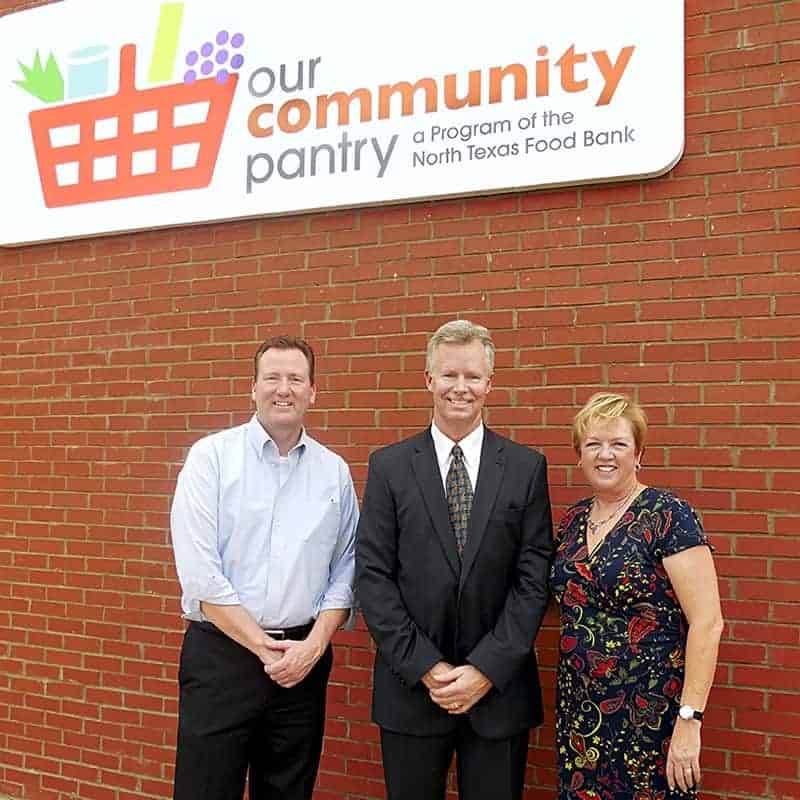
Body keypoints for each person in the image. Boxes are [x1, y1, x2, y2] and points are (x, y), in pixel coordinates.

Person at [356, 319, 554, 800]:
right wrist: (428, 668)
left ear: (490, 383)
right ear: (428, 380)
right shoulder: (389, 467)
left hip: (499, 694)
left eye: (472, 376)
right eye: (448, 375)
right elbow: (373, 577)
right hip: (412, 690)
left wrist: (485, 669)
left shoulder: (526, 468)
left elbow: (533, 580)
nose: (459, 388)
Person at [169, 336, 358, 800]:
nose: (283, 389)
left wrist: (312, 647)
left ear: (313, 392)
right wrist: (262, 646)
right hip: (223, 660)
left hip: (302, 664)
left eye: (296, 378)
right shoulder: (211, 458)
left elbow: (348, 567)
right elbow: (199, 571)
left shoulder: (334, 472)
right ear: (252, 387)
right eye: (272, 377)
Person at [550, 392, 724, 799]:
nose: (604, 455)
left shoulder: (669, 516)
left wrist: (689, 720)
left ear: (638, 452)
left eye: (618, 444)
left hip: (651, 718)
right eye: (593, 444)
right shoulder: (572, 521)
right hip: (581, 717)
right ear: (579, 455)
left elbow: (708, 622)